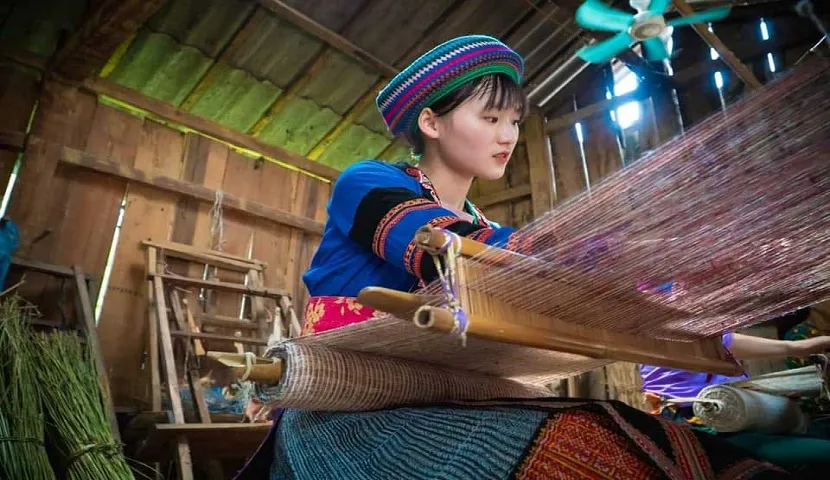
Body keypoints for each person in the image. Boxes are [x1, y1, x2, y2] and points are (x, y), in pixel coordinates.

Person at [233, 35, 791, 479]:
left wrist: (668, 263)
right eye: (490, 118)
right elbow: (443, 254)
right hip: (345, 414)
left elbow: (529, 262)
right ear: (431, 122)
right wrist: (594, 244)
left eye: (515, 121)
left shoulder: (487, 228)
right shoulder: (368, 183)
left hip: (445, 398)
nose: (508, 135)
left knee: (647, 437)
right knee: (572, 449)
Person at [641, 327, 830, 473]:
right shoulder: (662, 325)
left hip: (728, 406)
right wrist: (796, 348)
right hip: (702, 416)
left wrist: (797, 348)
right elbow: (724, 344)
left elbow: (724, 343)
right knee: (760, 452)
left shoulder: (658, 329)